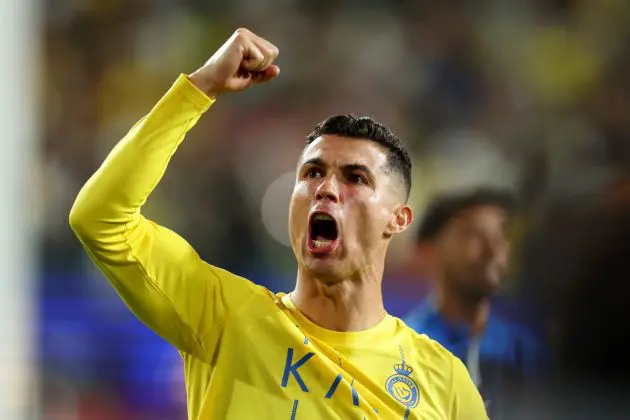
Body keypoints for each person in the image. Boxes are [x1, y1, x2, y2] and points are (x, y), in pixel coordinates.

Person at [69, 28, 487, 419]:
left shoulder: (442, 380)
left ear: (398, 220)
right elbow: (100, 218)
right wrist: (200, 88)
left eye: (355, 178)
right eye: (311, 173)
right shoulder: (223, 318)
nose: (325, 188)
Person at [403, 188, 548, 417]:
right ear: (428, 252)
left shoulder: (524, 351)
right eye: (474, 234)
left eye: (501, 235)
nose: (493, 249)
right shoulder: (405, 349)